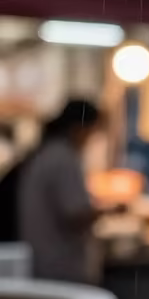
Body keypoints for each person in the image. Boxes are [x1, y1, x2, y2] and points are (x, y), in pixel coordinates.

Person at [19, 99, 104, 284]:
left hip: (44, 262)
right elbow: (75, 214)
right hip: (60, 267)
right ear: (79, 128)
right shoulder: (63, 159)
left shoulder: (49, 152)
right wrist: (109, 209)